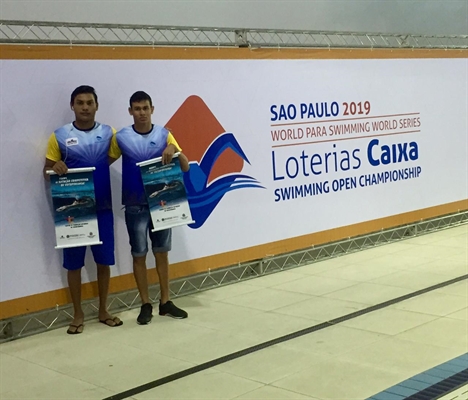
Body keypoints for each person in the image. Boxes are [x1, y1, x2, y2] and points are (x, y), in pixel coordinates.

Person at [43, 85, 123, 334]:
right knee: (73, 265)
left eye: (89, 102)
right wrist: (55, 168)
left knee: (103, 263)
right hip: (73, 214)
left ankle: (103, 310)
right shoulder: (59, 136)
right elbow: (47, 171)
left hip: (103, 209)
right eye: (80, 103)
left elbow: (108, 159)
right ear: (72, 106)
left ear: (97, 105)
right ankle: (77, 314)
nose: (85, 107)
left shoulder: (109, 133)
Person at [109, 91, 190, 324]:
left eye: (145, 108)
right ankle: (145, 304)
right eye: (137, 108)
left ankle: (165, 302)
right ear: (130, 111)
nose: (141, 113)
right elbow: (102, 162)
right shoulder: (121, 137)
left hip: (162, 204)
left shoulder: (165, 135)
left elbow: (185, 167)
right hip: (135, 205)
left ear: (152, 109)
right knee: (139, 254)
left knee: (162, 253)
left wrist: (174, 150)